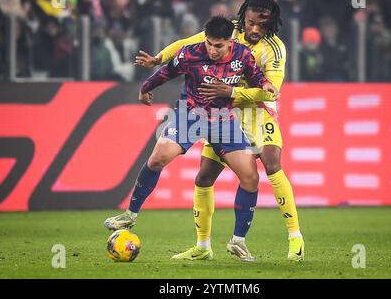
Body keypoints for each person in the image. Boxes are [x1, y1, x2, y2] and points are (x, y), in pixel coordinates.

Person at [134, 0, 305, 262]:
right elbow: (186, 44)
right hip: (224, 113)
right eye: (250, 23)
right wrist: (159, 59)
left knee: (272, 164)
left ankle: (295, 238)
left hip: (257, 111)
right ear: (243, 18)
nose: (255, 29)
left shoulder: (276, 48)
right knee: (204, 178)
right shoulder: (228, 30)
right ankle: (203, 246)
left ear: (271, 23)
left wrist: (232, 90)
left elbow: (272, 93)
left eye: (262, 24)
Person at [104, 16, 279, 262]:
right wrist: (145, 88)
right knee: (158, 158)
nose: (212, 49)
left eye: (218, 45)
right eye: (209, 43)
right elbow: (165, 73)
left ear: (230, 42)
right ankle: (130, 215)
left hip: (224, 120)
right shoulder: (190, 54)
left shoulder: (243, 55)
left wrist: (266, 84)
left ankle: (238, 241)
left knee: (251, 178)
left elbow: (254, 77)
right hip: (190, 116)